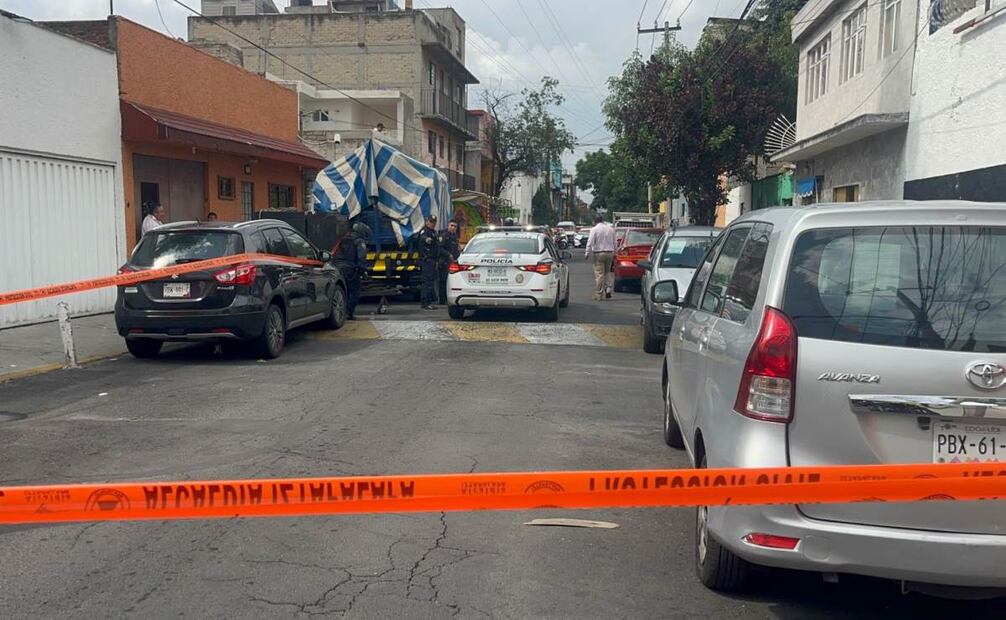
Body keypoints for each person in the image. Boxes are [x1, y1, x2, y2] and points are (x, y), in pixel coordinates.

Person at [334, 221, 370, 320]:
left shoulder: (343, 238)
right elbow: (361, 257)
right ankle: (349, 313)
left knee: (343, 291)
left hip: (338, 268)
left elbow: (334, 252)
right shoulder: (359, 241)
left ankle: (341, 313)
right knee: (354, 292)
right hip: (350, 270)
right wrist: (364, 271)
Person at [584, 214, 616, 301]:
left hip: (598, 253)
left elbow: (590, 241)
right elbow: (614, 242)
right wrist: (615, 253)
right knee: (607, 272)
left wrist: (587, 252)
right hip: (610, 253)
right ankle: (608, 289)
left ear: (594, 221)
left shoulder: (594, 229)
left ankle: (599, 293)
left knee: (599, 274)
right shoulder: (610, 229)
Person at [416, 214, 441, 310]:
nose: (432, 224)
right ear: (427, 222)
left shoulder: (434, 232)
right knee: (427, 282)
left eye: (434, 222)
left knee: (430, 282)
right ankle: (425, 303)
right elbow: (423, 237)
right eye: (431, 222)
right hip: (427, 260)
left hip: (433, 260)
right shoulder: (425, 231)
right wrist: (427, 239)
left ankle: (428, 301)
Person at [437, 220, 461, 305]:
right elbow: (439, 248)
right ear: (448, 225)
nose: (453, 227)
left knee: (451, 281)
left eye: (455, 226)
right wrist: (448, 255)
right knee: (443, 281)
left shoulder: (455, 236)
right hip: (444, 261)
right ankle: (442, 300)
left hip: (452, 262)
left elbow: (456, 249)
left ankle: (448, 298)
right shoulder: (444, 235)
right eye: (452, 225)